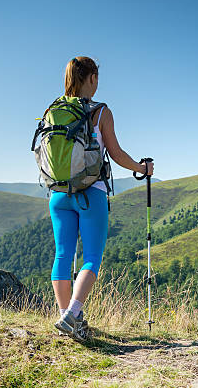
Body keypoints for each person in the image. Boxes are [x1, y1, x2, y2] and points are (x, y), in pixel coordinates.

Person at [51, 56, 154, 341]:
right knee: (92, 258)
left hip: (58, 193)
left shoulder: (54, 109)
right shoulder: (100, 111)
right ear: (92, 78)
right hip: (91, 193)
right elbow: (117, 154)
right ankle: (73, 314)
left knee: (63, 254)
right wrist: (142, 169)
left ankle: (66, 318)